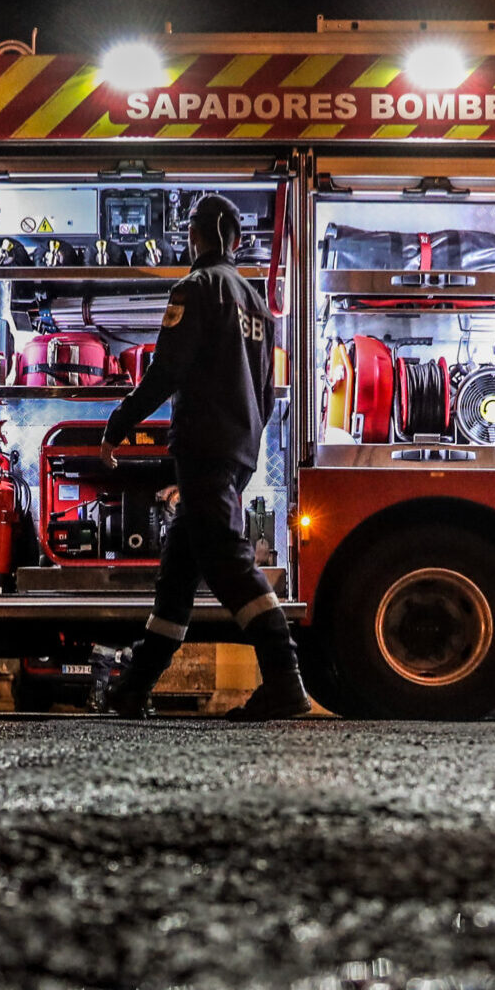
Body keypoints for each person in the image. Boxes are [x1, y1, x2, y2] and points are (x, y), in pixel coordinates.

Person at [99, 194, 310, 721]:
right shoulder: (258, 304)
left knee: (230, 564)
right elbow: (266, 391)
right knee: (178, 577)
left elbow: (166, 372)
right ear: (236, 240)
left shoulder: (193, 289)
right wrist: (247, 451)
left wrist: (118, 425)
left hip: (204, 450)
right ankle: (132, 690)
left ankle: (285, 680)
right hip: (236, 451)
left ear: (195, 235)